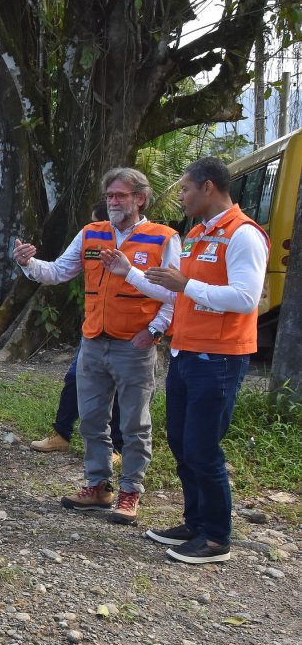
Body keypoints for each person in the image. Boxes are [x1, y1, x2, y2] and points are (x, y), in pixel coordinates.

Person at [101, 156, 268, 563]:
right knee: (180, 441)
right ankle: (194, 522)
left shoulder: (243, 235)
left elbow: (246, 298)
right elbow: (176, 293)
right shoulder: (196, 234)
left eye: (185, 189)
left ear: (208, 187)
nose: (180, 196)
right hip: (186, 353)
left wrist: (186, 283)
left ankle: (215, 539)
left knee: (202, 447)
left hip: (220, 358)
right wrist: (131, 275)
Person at [12, 168, 180, 525]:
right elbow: (58, 271)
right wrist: (29, 263)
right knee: (91, 419)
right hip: (93, 341)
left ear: (140, 199)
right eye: (109, 196)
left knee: (134, 424)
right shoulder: (92, 233)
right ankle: (98, 486)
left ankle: (130, 492)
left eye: (120, 195)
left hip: (134, 345)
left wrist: (154, 330)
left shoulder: (163, 239)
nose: (113, 202)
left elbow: (174, 294)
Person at [31, 201, 124, 457]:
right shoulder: (89, 238)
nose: (91, 225)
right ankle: (62, 434)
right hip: (93, 331)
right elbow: (58, 270)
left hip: (125, 335)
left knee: (117, 389)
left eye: (94, 220)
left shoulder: (150, 241)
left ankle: (116, 447)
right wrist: (29, 263)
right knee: (74, 380)